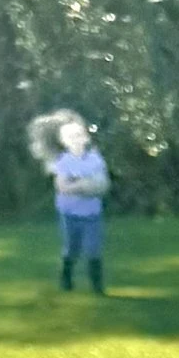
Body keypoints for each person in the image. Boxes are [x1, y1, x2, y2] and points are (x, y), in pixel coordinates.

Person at [48, 115, 109, 295]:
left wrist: (79, 183)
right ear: (65, 141)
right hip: (69, 213)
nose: (76, 140)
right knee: (71, 248)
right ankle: (66, 279)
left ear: (86, 138)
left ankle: (97, 286)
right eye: (71, 137)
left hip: (92, 213)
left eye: (79, 135)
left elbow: (103, 184)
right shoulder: (63, 161)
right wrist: (84, 185)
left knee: (93, 248)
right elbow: (62, 186)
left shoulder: (96, 160)